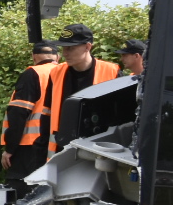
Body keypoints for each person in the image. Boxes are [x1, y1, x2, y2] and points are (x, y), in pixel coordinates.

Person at [46, 23, 121, 152]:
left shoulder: (112, 72)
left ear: (87, 47)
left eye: (70, 48)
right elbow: (46, 114)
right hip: (61, 149)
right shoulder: (56, 73)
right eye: (63, 48)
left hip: (98, 150)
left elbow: (122, 118)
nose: (65, 53)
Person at [0, 42, 60, 188]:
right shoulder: (65, 72)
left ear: (34, 57)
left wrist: (10, 149)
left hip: (30, 145)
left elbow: (18, 113)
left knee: (22, 191)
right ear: (58, 57)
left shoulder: (33, 74)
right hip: (57, 144)